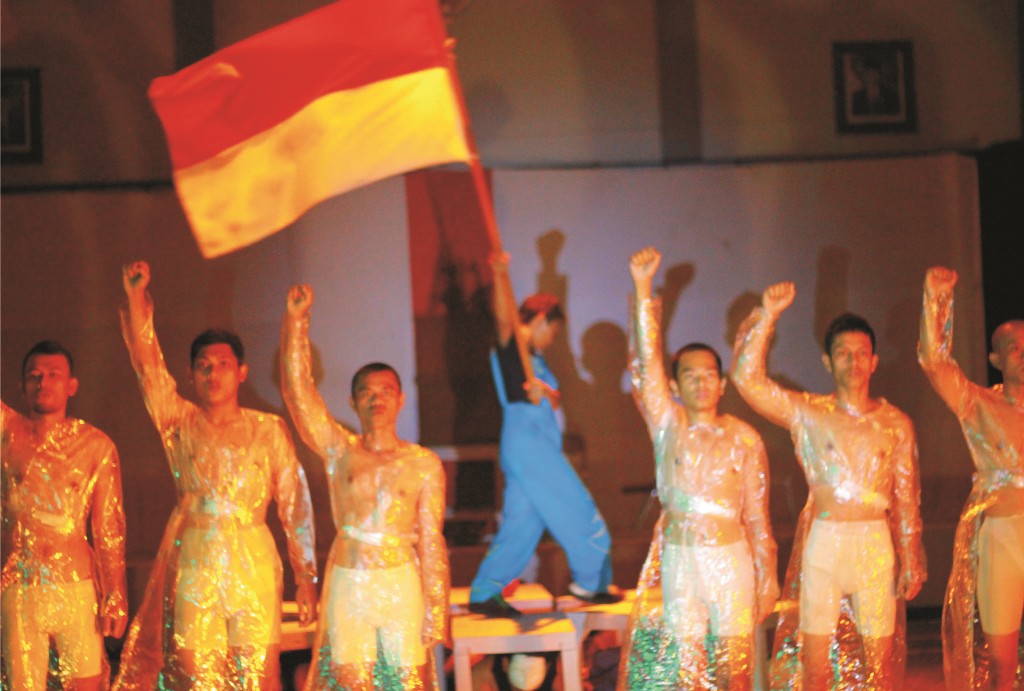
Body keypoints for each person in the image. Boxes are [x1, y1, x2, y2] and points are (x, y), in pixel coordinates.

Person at [114, 261, 318, 690]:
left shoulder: (268, 429)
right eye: (203, 365)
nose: (212, 372)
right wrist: (137, 301)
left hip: (254, 560)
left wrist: (306, 578)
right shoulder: (178, 422)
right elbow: (149, 368)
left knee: (257, 677)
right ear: (191, 374)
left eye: (222, 364)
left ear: (241, 372)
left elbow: (295, 503)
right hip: (197, 559)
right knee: (195, 674)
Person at [731, 282, 926, 690]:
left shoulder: (896, 423)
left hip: (874, 543)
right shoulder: (809, 414)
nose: (852, 362)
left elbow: (907, 496)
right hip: (826, 542)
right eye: (842, 353)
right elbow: (747, 381)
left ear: (873, 361)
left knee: (879, 666)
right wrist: (766, 315)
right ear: (827, 362)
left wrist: (912, 555)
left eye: (860, 354)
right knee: (814, 666)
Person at [619, 247, 778, 689]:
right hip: (680, 559)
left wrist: (768, 576)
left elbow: (758, 517)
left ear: (723, 383)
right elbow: (644, 366)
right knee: (687, 669)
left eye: (709, 374)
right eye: (690, 375)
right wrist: (642, 288)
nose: (701, 382)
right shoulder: (667, 425)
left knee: (734, 668)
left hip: (731, 559)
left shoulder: (745, 438)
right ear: (674, 385)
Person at [280, 284, 449, 689]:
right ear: (353, 403)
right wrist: (296, 324)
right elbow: (300, 395)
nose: (377, 401)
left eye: (386, 392)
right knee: (350, 681)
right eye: (366, 394)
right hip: (349, 581)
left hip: (400, 582)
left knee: (405, 682)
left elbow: (431, 539)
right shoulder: (340, 450)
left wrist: (437, 607)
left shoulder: (423, 463)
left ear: (401, 399)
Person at [468, 251, 618, 616]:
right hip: (531, 447)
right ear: (537, 320)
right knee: (578, 509)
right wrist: (501, 273)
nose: (552, 338)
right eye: (552, 329)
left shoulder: (533, 360)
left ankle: (486, 591)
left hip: (530, 447)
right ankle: (590, 581)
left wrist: (548, 394)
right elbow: (506, 320)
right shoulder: (510, 349)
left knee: (523, 523)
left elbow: (545, 395)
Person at [917, 266, 1024, 691]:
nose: (1023, 351)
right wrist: (936, 301)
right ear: (996, 359)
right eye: (1012, 347)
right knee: (1000, 662)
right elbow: (934, 361)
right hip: (1002, 537)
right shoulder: (977, 403)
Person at [2, 341, 128, 690]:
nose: (43, 382)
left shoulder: (95, 445)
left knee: (84, 684)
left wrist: (115, 594)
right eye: (34, 376)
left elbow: (108, 527)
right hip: (21, 586)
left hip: (76, 588)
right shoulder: (6, 435)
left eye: (53, 375)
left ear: (71, 384)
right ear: (22, 386)